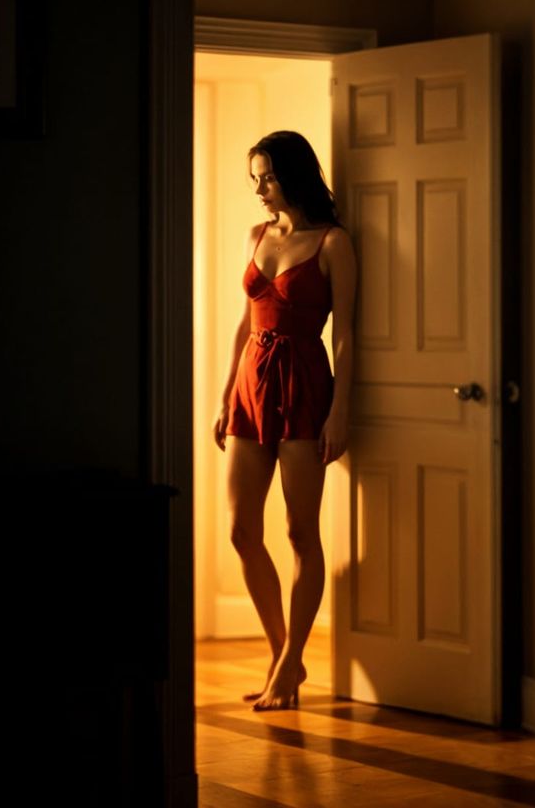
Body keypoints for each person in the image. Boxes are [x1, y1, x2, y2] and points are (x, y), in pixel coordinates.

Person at [213, 130, 357, 711]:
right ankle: (286, 658)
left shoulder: (333, 242)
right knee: (241, 531)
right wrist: (226, 394)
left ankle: (288, 662)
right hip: (251, 383)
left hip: (303, 384)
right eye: (254, 178)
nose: (259, 189)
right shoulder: (258, 236)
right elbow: (246, 324)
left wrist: (339, 409)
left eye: (267, 177)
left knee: (301, 534)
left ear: (293, 176)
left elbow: (345, 333)